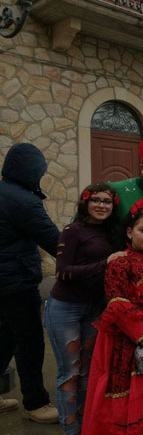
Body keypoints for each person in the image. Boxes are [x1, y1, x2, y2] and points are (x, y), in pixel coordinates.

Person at [81, 198, 143, 435]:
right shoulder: (120, 263)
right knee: (125, 393)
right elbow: (117, 304)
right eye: (142, 230)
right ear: (129, 232)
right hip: (127, 339)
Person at [45, 183, 125, 435]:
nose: (101, 205)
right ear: (86, 203)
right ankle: (71, 431)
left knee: (88, 373)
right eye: (96, 200)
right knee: (70, 372)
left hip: (94, 309)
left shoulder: (113, 233)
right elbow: (62, 272)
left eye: (107, 202)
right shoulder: (73, 231)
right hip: (65, 308)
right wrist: (105, 263)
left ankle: (86, 427)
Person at [0, 143, 60, 423]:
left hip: (6, 279)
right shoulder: (23, 201)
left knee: (5, 337)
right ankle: (36, 403)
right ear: (32, 172)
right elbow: (55, 241)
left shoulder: (4, 191)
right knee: (30, 341)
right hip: (15, 282)